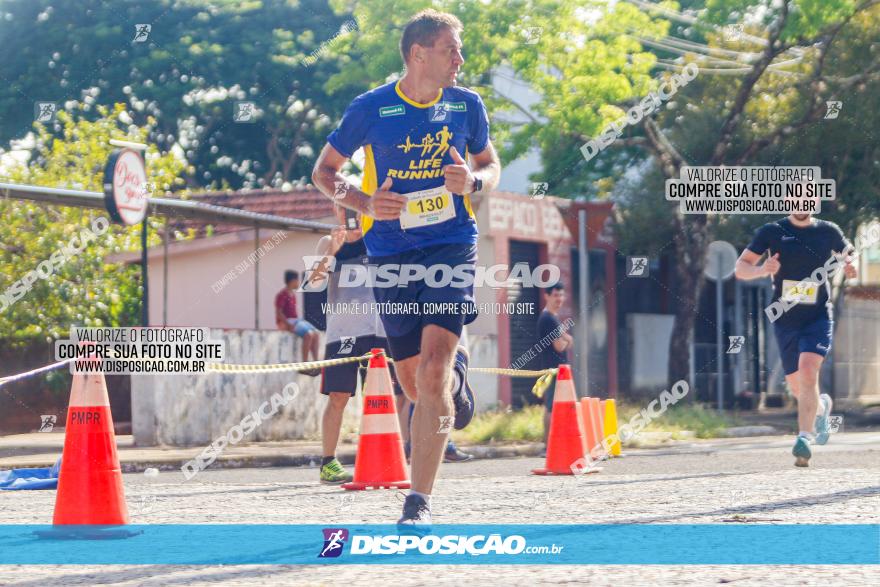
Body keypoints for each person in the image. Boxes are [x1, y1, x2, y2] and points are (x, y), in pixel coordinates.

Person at [312, 9, 501, 525]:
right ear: (419, 54)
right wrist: (368, 203)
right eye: (450, 49)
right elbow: (324, 172)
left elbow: (490, 163)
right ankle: (457, 390)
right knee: (417, 386)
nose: (460, 59)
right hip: (391, 253)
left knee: (435, 370)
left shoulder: (467, 105)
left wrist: (475, 182)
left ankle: (417, 500)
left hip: (451, 244)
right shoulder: (371, 107)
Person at [307, 207, 471, 484]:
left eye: (356, 210)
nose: (352, 217)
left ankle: (393, 454)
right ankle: (328, 462)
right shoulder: (328, 241)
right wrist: (331, 252)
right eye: (346, 210)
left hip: (385, 329)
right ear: (337, 211)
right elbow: (313, 283)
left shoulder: (381, 237)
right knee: (338, 396)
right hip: (345, 332)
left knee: (399, 393)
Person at [734, 196, 856, 467]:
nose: (802, 203)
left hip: (817, 316)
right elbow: (740, 268)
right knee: (797, 385)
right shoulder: (771, 232)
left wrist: (850, 265)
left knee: (809, 369)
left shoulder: (828, 231)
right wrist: (762, 269)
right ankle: (822, 408)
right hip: (785, 319)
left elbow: (849, 252)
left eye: (807, 199)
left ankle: (804, 437)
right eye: (796, 198)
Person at [536, 282, 573, 450]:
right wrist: (569, 340)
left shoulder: (552, 318)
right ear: (547, 296)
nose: (559, 299)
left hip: (555, 371)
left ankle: (552, 444)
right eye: (555, 295)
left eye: (561, 295)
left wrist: (566, 337)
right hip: (553, 370)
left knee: (554, 407)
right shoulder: (549, 319)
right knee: (551, 408)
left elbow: (562, 336)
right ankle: (548, 446)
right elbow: (559, 345)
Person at [275, 270, 320, 366]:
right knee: (308, 335)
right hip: (288, 322)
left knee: (316, 333)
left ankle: (316, 363)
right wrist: (288, 324)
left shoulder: (293, 295)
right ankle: (304, 363)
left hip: (295, 320)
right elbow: (279, 312)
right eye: (297, 280)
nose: (298, 283)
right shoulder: (282, 294)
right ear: (292, 281)